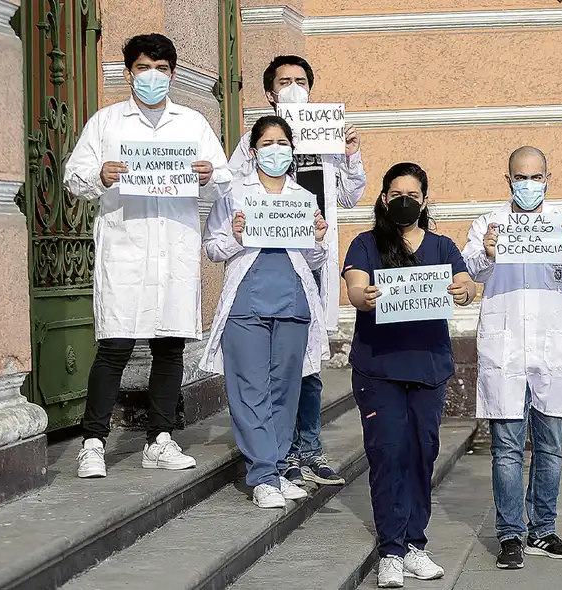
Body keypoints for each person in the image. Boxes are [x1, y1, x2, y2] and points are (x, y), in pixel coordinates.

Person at [64, 33, 230, 479]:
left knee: (169, 346)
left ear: (172, 74)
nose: (151, 76)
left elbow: (223, 180)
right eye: (142, 68)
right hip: (125, 247)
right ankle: (94, 442)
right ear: (128, 73)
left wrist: (209, 174)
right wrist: (99, 173)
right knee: (114, 346)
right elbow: (74, 177)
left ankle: (160, 438)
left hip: (173, 247)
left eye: (160, 68)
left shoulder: (192, 124)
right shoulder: (107, 123)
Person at [228, 55, 367, 486]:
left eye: (300, 80)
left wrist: (350, 156)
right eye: (284, 81)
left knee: (308, 360)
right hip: (269, 267)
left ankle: (309, 447)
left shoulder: (327, 135)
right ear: (270, 93)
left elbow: (348, 197)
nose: (293, 86)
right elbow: (234, 188)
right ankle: (283, 451)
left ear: (311, 88)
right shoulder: (257, 141)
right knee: (283, 361)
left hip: (313, 260)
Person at [463, 146, 562, 571]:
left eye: (535, 177)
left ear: (547, 178)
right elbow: (470, 269)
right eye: (520, 177)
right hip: (505, 347)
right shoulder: (489, 223)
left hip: (551, 346)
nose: (527, 184)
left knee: (550, 447)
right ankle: (509, 535)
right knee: (506, 447)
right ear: (508, 181)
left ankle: (543, 529)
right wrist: (485, 251)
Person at [342, 163, 477, 588]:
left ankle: (415, 544)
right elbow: (356, 290)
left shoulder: (442, 246)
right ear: (383, 199)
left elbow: (467, 284)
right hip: (378, 368)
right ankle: (391, 551)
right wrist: (365, 296)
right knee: (387, 455)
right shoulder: (365, 244)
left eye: (413, 195)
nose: (404, 201)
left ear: (424, 201)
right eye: (396, 193)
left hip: (427, 367)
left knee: (422, 453)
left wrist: (464, 289)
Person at [199, 116, 328, 508]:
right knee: (250, 390)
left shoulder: (303, 198)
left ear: (292, 150)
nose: (276, 149)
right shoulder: (235, 194)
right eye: (268, 143)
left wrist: (318, 237)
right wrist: (238, 238)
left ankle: (277, 466)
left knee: (285, 389)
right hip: (246, 303)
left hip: (293, 302)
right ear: (253, 151)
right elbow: (213, 247)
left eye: (283, 142)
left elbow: (315, 259)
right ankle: (263, 475)